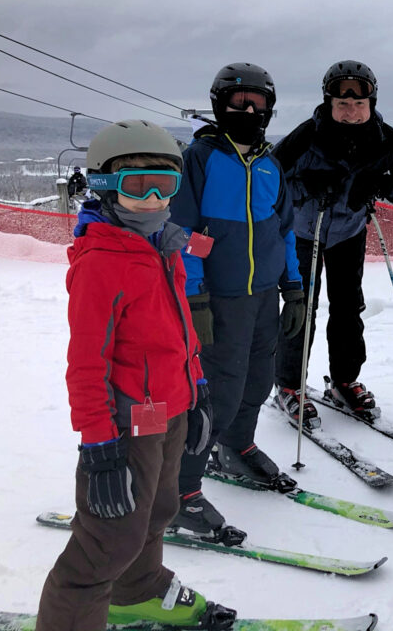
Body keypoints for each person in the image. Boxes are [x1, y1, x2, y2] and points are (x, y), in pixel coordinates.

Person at [36, 119, 231, 630]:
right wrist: (99, 448)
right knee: (108, 539)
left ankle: (138, 588)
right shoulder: (102, 261)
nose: (152, 201)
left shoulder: (164, 246)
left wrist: (199, 390)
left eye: (163, 186)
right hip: (124, 426)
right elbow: (85, 365)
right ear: (103, 187)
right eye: (135, 186)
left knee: (159, 508)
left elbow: (178, 331)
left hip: (170, 411)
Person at [168, 62, 306, 537]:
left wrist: (294, 287)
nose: (248, 110)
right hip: (219, 297)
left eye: (258, 103)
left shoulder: (270, 163)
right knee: (218, 392)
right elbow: (183, 231)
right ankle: (182, 489)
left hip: (265, 294)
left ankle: (237, 446)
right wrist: (195, 296)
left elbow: (284, 230)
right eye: (238, 102)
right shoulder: (202, 159)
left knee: (258, 379)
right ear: (218, 106)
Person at [273, 60, 393, 426]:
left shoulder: (384, 139)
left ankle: (344, 380)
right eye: (342, 104)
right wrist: (306, 187)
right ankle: (287, 385)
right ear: (329, 102)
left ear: (371, 103)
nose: (351, 112)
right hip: (305, 233)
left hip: (348, 234)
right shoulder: (307, 136)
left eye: (359, 105)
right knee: (302, 307)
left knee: (348, 309)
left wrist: (378, 185)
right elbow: (268, 181)